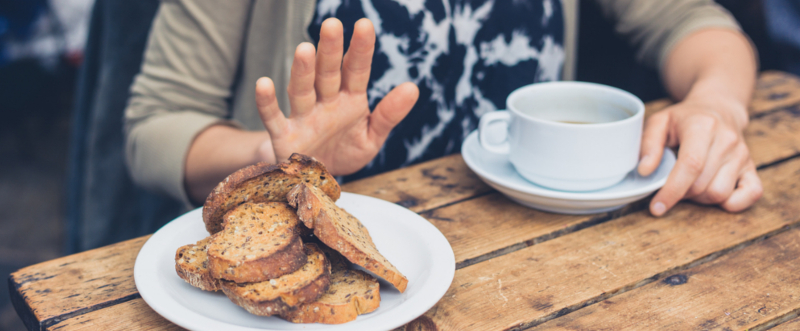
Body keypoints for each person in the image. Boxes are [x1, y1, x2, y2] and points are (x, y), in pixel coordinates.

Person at [124, 0, 762, 218]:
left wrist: (718, 103)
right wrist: (272, 158)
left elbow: (692, 22)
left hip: (538, 256)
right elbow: (155, 126)